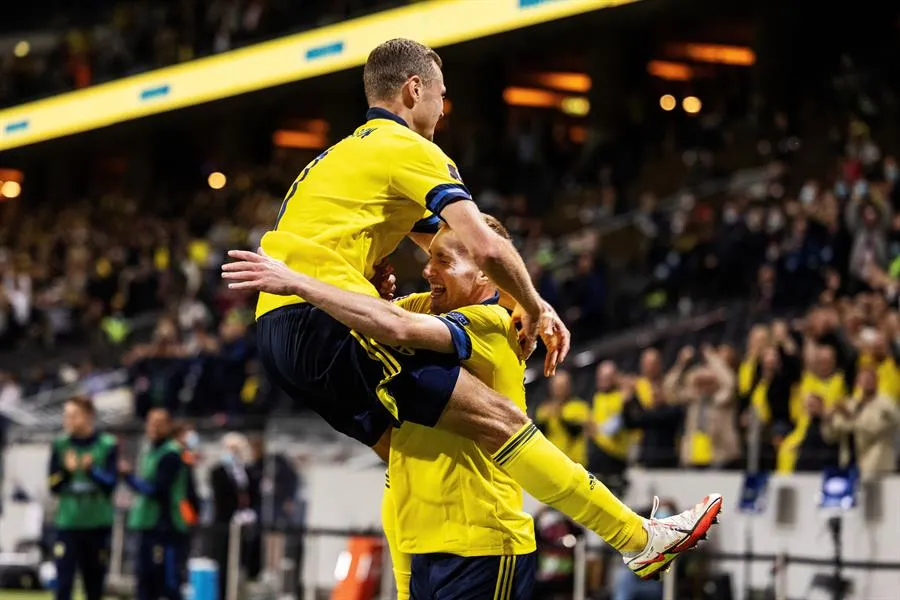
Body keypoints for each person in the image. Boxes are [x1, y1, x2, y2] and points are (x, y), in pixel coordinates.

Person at [225, 215, 723, 582]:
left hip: (483, 543)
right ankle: (640, 538)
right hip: (419, 542)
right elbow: (377, 319)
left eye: (444, 261)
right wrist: (370, 290)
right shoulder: (430, 307)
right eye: (429, 260)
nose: (429, 271)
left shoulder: (491, 324)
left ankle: (638, 539)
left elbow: (394, 325)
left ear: (486, 276)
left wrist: (297, 283)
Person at [47, 396, 119, 600]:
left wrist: (92, 471)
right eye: (66, 416)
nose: (68, 421)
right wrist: (67, 472)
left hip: (97, 524)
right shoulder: (60, 445)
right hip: (68, 524)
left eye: (73, 416)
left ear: (88, 416)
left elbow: (111, 485)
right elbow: (53, 486)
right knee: (63, 584)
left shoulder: (107, 444)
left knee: (94, 585)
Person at [121, 408, 193, 600]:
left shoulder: (171, 453)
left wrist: (129, 478)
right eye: (151, 423)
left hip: (166, 526)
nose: (154, 427)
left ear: (169, 426)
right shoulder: (149, 451)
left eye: (159, 423)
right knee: (144, 580)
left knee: (168, 582)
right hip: (146, 524)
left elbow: (157, 490)